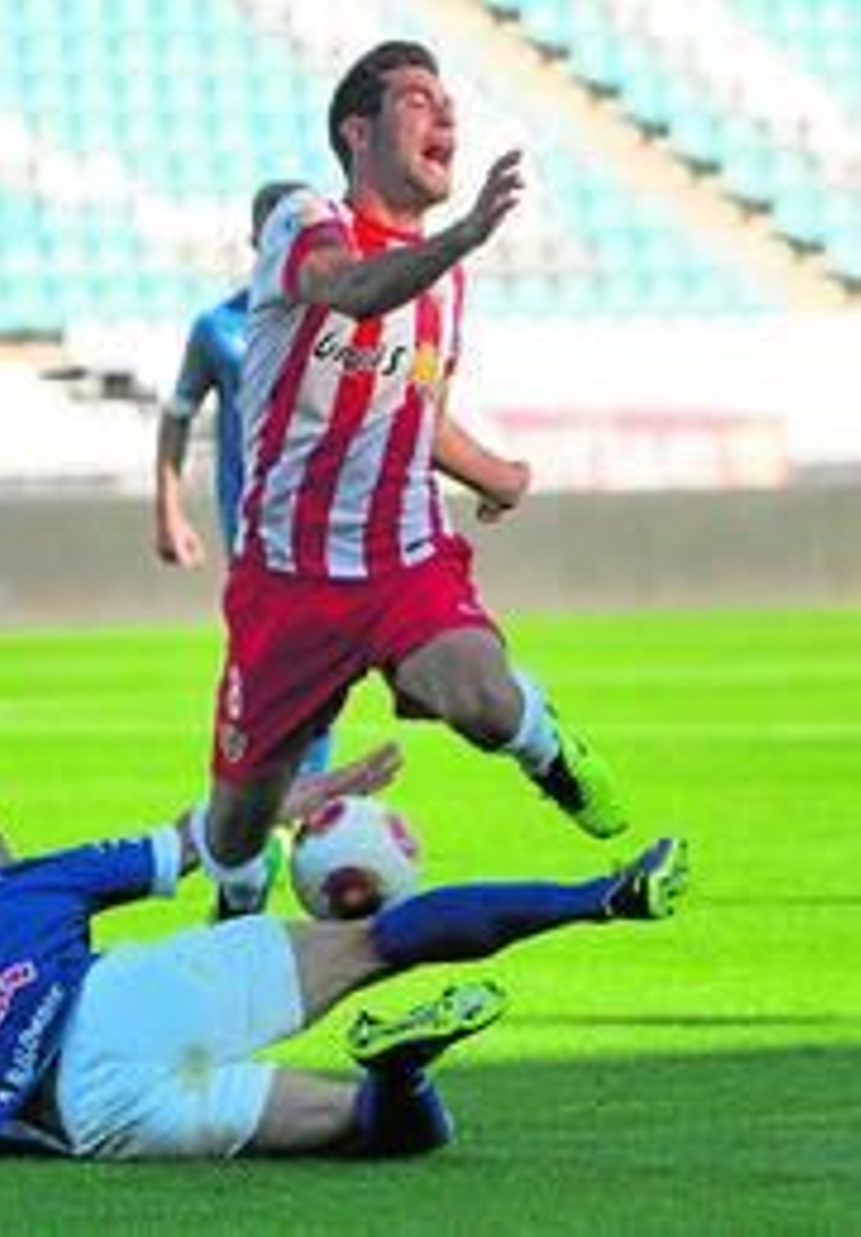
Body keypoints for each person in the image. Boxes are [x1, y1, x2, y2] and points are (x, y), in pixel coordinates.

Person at [0, 759, 688, 1161]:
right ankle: (599, 896)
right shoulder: (16, 884)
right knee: (376, 942)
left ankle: (396, 1071)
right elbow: (196, 836)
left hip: (87, 1117)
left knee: (375, 1135)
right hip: (123, 999)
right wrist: (302, 793)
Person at [198, 40, 628, 920]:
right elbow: (350, 289)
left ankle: (549, 751)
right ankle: (242, 895)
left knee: (476, 690)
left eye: (449, 102)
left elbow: (414, 409)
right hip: (288, 576)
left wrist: (497, 474)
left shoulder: (445, 282)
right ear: (358, 131)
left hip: (403, 556)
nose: (447, 115)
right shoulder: (305, 221)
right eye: (418, 99)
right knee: (238, 820)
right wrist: (466, 230)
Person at [154, 180, 332, 779]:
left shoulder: (337, 319)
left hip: (333, 519)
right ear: (257, 237)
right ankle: (252, 799)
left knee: (319, 660)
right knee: (267, 659)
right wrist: (170, 512)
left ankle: (295, 797)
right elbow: (177, 414)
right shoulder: (218, 328)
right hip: (253, 525)